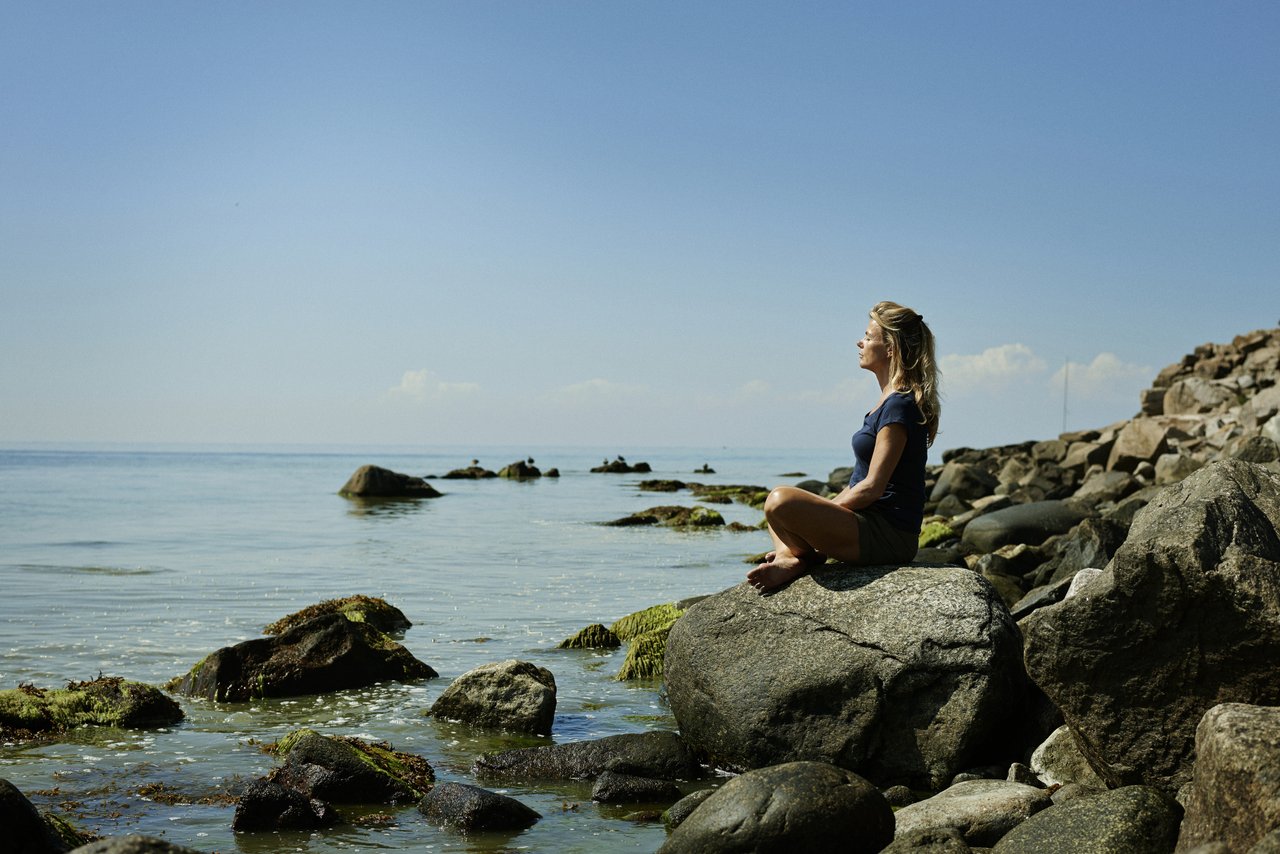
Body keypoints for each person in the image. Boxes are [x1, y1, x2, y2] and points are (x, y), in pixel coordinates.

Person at [746, 301, 940, 593]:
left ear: (891, 349)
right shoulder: (887, 403)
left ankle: (796, 557)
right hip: (865, 523)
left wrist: (819, 514)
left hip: (887, 534)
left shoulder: (900, 405)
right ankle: (793, 558)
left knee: (781, 502)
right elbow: (858, 483)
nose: (859, 342)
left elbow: (872, 487)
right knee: (777, 509)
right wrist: (815, 515)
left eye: (868, 336)